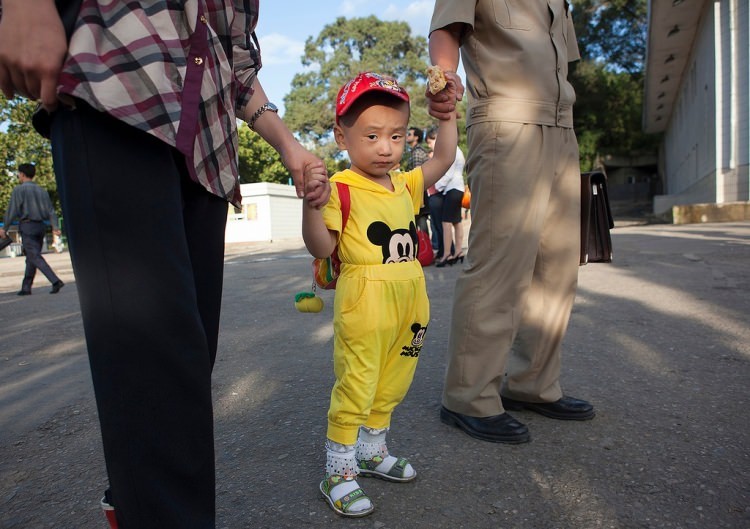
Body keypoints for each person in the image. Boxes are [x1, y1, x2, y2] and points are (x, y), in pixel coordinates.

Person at [0, 2, 328, 528]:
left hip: (209, 145)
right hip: (114, 86)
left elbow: (235, 59)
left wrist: (289, 145)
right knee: (151, 364)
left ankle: (135, 503)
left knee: (188, 364)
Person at [428, 0, 595, 445]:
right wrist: (444, 78)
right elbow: (446, 29)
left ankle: (532, 385)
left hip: (562, 127)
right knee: (500, 262)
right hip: (507, 122)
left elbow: (558, 60)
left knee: (557, 267)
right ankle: (467, 396)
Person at [302, 71, 458, 517]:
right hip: (364, 300)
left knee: (392, 382)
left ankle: (371, 453)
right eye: (371, 135)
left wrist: (446, 113)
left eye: (396, 135)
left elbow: (444, 157)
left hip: (410, 300)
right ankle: (339, 470)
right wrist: (312, 207)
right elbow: (322, 247)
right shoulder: (339, 188)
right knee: (357, 382)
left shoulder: (407, 184)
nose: (386, 147)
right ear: (341, 135)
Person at [0, 163, 64, 295]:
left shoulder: (19, 190)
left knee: (34, 256)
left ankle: (55, 280)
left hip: (27, 226)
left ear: (22, 174)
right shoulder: (42, 191)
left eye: (18, 173)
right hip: (40, 226)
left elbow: (12, 210)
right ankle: (26, 287)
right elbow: (51, 211)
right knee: (31, 257)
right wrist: (55, 227)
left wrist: (4, 228)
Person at [425, 130, 464, 267]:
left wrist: (437, 185)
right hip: (457, 187)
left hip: (452, 188)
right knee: (456, 222)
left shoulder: (452, 151)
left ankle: (447, 253)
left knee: (446, 223)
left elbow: (448, 174)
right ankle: (458, 251)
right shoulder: (457, 150)